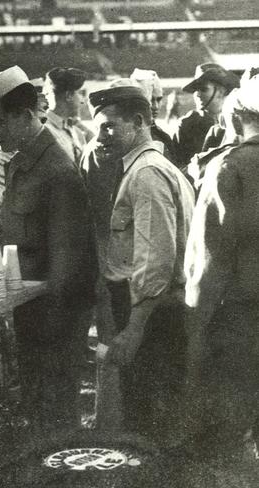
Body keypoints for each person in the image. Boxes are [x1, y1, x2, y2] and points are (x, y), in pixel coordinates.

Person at [0, 66, 97, 427]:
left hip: (56, 316)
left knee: (56, 408)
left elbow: (67, 260)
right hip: (32, 309)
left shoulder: (56, 170)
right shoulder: (21, 162)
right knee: (37, 405)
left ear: (25, 117)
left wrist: (51, 330)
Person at [89, 85, 195, 445]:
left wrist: (134, 329)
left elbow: (156, 262)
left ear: (138, 122)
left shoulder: (146, 174)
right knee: (152, 415)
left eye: (108, 126)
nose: (100, 136)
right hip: (155, 312)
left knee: (147, 424)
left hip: (150, 316)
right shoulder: (149, 168)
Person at [183, 74, 259, 471]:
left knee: (226, 447)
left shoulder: (230, 166)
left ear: (239, 115)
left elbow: (206, 264)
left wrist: (194, 331)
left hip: (241, 325)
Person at [173, 63, 239, 168]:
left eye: (203, 89)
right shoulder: (188, 124)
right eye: (196, 90)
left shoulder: (238, 120)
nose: (198, 94)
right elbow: (177, 167)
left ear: (221, 92)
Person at [42, 67, 89, 168]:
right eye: (81, 93)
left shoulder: (76, 132)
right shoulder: (42, 131)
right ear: (69, 95)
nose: (82, 100)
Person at [130, 68, 177, 164]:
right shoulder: (127, 137)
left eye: (159, 100)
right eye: (150, 99)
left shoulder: (163, 137)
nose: (155, 106)